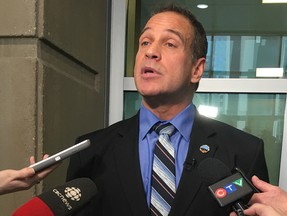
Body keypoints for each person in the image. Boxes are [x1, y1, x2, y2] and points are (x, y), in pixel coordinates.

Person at [66, 4, 269, 216]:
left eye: (170, 44)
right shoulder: (90, 152)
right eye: (145, 42)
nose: (151, 52)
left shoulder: (244, 151)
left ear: (196, 69)